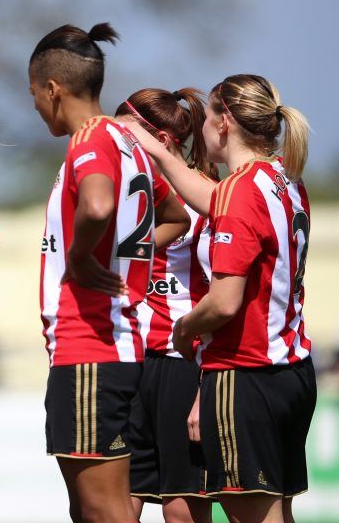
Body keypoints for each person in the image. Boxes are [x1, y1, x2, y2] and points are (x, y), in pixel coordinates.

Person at [28, 23, 190, 522]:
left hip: (90, 347)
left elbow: (97, 206)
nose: (34, 105)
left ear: (52, 89)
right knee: (99, 508)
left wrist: (81, 258)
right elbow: (177, 216)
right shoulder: (128, 141)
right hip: (114, 349)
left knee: (103, 512)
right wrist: (127, 255)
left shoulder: (92, 139)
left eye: (33, 93)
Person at [139, 74, 314, 523]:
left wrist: (185, 329)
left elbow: (224, 302)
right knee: (278, 510)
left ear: (224, 122)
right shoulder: (283, 179)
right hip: (292, 372)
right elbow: (214, 201)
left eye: (209, 116)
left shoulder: (240, 189)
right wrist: (160, 153)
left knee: (251, 515)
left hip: (247, 373)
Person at [114, 88, 215, 523]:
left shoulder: (207, 198)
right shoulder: (124, 192)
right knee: (113, 506)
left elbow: (226, 299)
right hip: (131, 364)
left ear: (161, 139)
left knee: (180, 509)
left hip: (181, 363)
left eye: (123, 134)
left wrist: (203, 389)